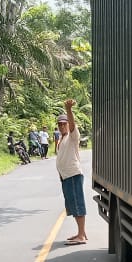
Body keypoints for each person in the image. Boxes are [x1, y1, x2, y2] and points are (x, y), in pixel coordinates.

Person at [56, 99, 87, 245]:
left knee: (77, 203)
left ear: (68, 124)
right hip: (66, 177)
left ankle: (81, 235)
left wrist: (68, 110)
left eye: (64, 123)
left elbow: (74, 127)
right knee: (72, 205)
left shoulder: (72, 137)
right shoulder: (61, 140)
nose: (62, 126)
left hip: (73, 175)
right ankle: (81, 232)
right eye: (60, 124)